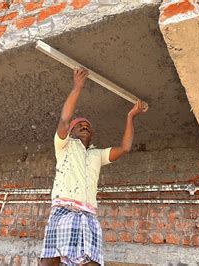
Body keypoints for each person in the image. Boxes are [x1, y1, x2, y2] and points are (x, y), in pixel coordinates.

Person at [40, 68, 146, 265]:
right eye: (79, 124)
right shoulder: (64, 146)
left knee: (93, 263)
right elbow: (64, 119)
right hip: (64, 210)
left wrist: (131, 116)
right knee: (49, 261)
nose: (84, 125)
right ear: (71, 131)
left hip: (88, 215)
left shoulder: (97, 155)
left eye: (87, 125)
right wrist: (77, 87)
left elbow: (124, 148)